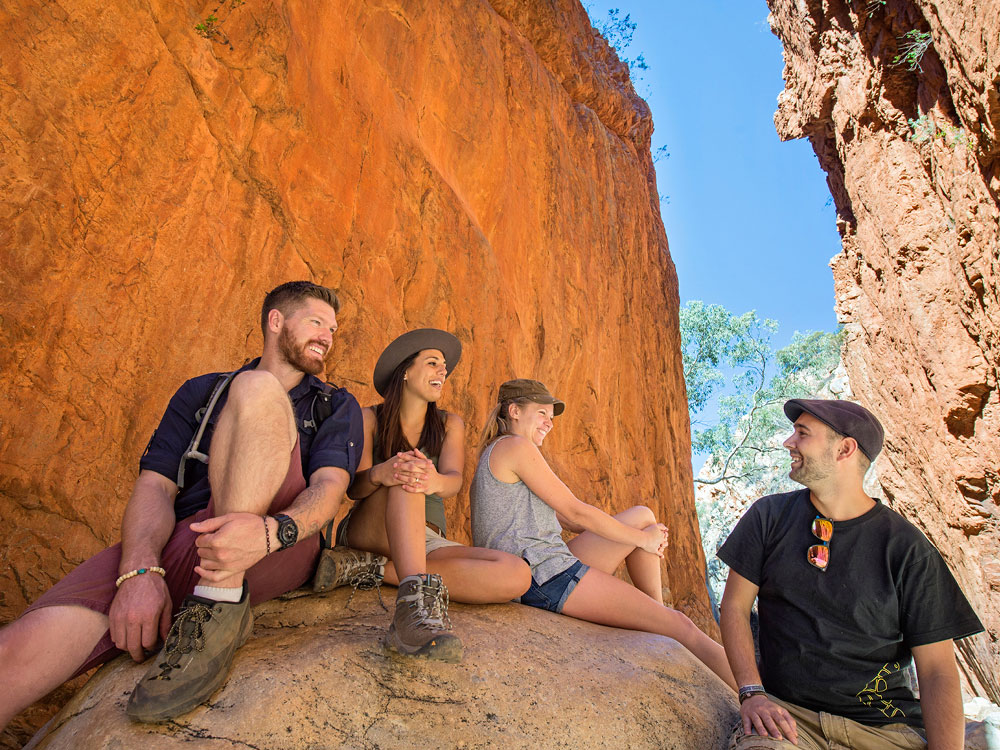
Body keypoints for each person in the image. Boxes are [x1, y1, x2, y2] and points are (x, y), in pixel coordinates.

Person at [0, 281, 363, 727]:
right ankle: (195, 594)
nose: (328, 336)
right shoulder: (201, 392)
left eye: (333, 328)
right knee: (13, 655)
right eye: (316, 322)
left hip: (272, 544)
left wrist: (273, 532)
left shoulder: (335, 404)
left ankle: (220, 602)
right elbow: (155, 487)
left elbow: (328, 488)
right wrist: (139, 573)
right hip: (185, 538)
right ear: (275, 321)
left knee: (257, 390)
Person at [718, 399, 984, 750]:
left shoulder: (907, 548)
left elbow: (936, 670)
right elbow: (735, 607)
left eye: (802, 433)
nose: (788, 443)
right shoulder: (768, 517)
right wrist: (752, 693)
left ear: (844, 449)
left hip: (885, 732)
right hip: (789, 722)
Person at [470, 378, 737, 689]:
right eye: (541, 413)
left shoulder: (500, 451)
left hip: (543, 566)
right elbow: (575, 512)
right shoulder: (516, 446)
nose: (548, 423)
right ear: (514, 411)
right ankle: (757, 698)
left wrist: (638, 532)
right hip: (543, 578)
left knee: (642, 516)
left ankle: (655, 613)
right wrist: (642, 540)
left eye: (551, 418)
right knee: (683, 626)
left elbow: (571, 523)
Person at [316, 329, 530, 662]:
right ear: (404, 370)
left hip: (426, 537)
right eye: (432, 363)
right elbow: (353, 487)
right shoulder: (368, 417)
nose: (442, 372)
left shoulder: (449, 424)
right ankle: (411, 615)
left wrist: (433, 481)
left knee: (517, 574)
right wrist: (381, 473)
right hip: (372, 528)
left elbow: (454, 482)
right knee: (408, 473)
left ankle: (370, 570)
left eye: (444, 367)